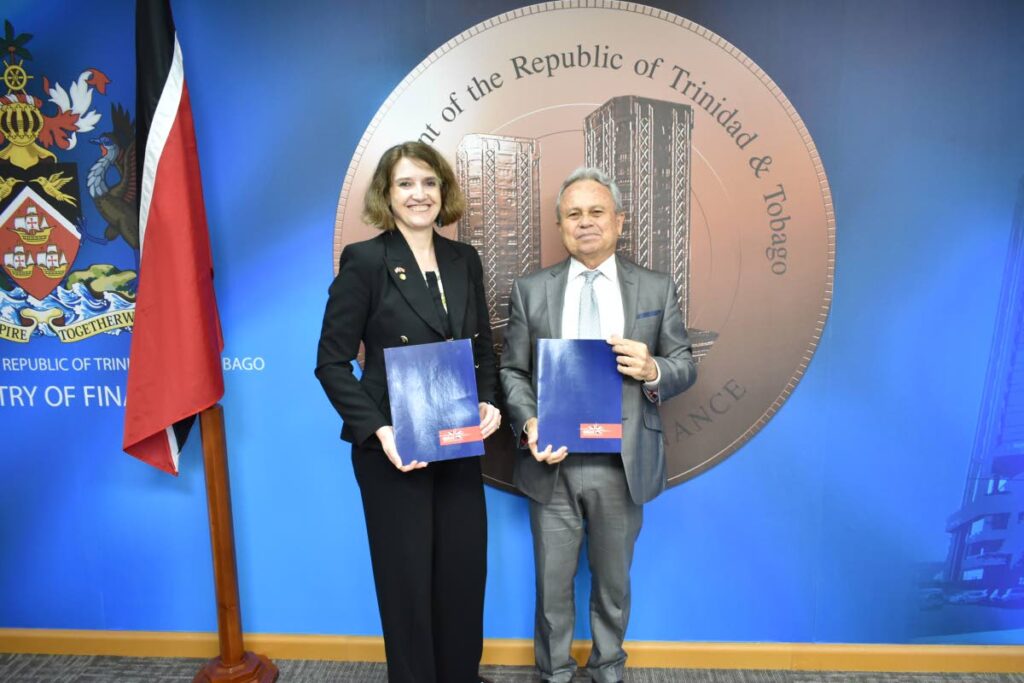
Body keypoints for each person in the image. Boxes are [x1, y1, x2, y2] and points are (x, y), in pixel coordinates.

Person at [500, 167, 696, 683]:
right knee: (552, 585)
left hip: (622, 462)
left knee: (613, 582)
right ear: (560, 225)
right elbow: (512, 371)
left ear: (619, 221)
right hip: (553, 463)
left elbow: (685, 362)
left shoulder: (655, 287)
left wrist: (653, 368)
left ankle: (609, 668)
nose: (585, 223)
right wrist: (528, 424)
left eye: (596, 212)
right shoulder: (531, 290)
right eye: (573, 214)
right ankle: (556, 673)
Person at [316, 141, 501, 683]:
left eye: (428, 182)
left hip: (458, 444)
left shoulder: (465, 260)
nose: (418, 194)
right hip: (395, 452)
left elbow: (483, 349)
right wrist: (380, 432)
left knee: (463, 577)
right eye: (405, 184)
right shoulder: (366, 260)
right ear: (387, 195)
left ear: (443, 191)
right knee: (408, 586)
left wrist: (488, 400)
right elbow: (330, 363)